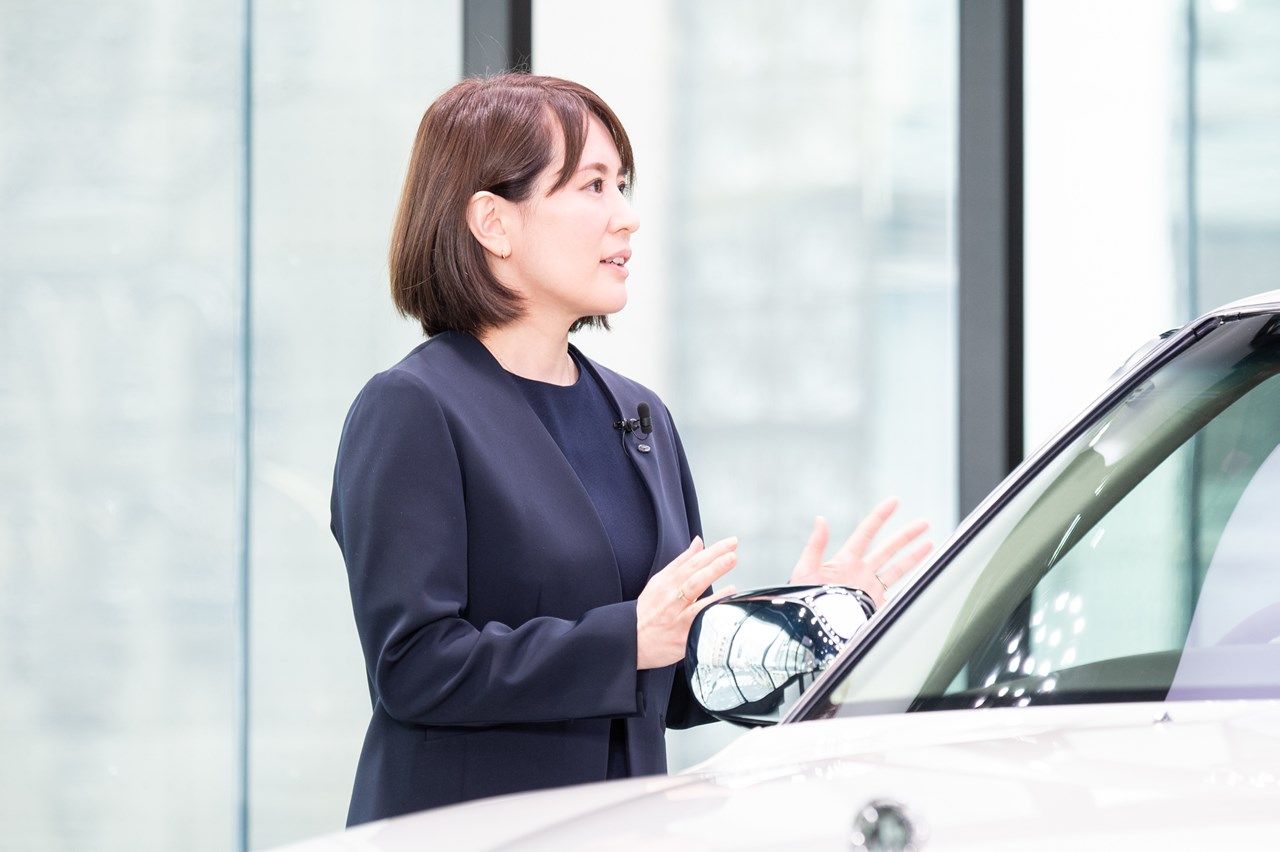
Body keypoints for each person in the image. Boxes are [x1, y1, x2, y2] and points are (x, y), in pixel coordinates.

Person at [329, 72, 932, 827]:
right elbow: (413, 667)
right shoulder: (413, 409)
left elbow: (669, 680)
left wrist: (795, 626)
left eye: (623, 186)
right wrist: (626, 638)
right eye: (592, 186)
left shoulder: (638, 413)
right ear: (493, 221)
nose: (626, 218)